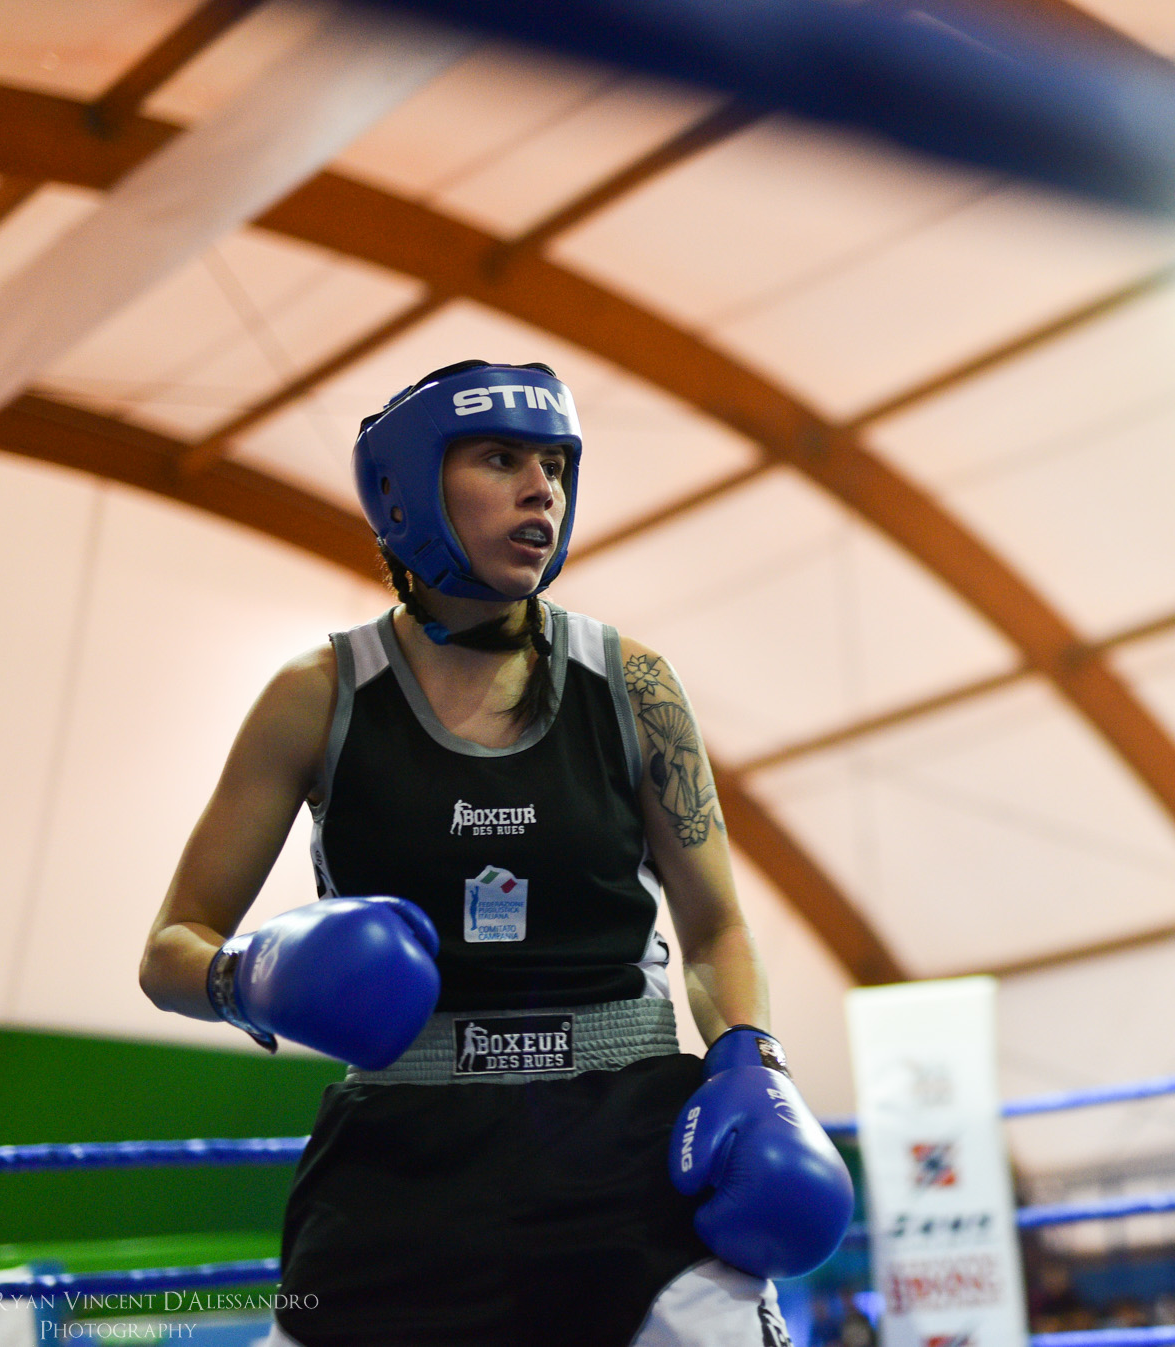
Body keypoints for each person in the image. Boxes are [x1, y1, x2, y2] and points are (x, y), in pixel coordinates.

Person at [138, 360, 851, 1347]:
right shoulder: (318, 696)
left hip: (628, 1148)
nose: (541, 489)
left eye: (556, 465)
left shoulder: (632, 683)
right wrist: (250, 974)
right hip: (399, 1171)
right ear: (405, 488)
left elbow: (716, 925)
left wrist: (750, 1058)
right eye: (501, 458)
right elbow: (171, 946)